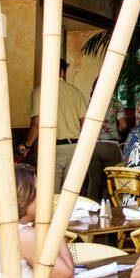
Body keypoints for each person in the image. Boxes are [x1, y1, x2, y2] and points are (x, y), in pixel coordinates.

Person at [19, 59, 88, 192]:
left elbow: (37, 123)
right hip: (75, 147)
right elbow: (85, 122)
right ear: (62, 72)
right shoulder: (75, 92)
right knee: (71, 194)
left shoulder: (40, 91)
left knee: (50, 193)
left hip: (53, 148)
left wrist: (27, 145)